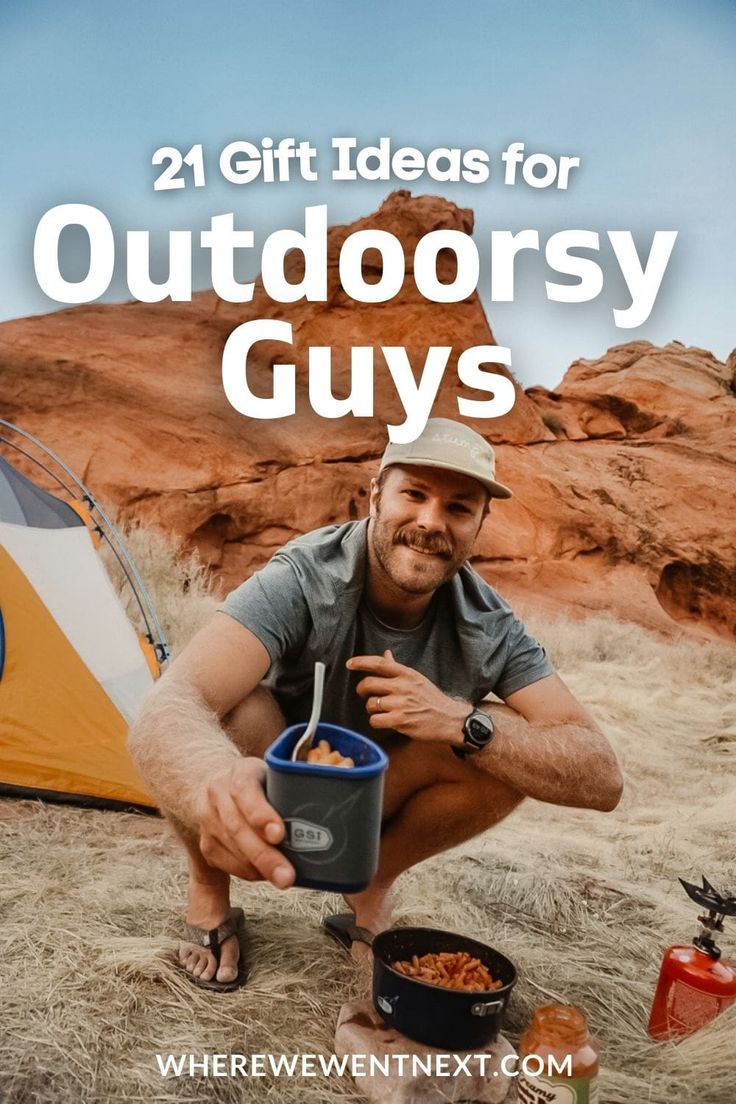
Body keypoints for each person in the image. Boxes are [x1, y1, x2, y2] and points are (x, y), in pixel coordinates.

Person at [128, 418, 623, 990]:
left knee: (503, 738)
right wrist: (209, 785)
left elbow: (601, 775)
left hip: (381, 790)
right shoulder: (303, 576)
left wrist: (461, 721)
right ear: (375, 496)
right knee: (229, 713)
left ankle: (371, 883)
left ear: (480, 525)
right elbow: (175, 701)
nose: (431, 522)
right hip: (277, 772)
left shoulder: (490, 625)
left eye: (459, 508)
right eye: (414, 494)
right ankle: (210, 889)